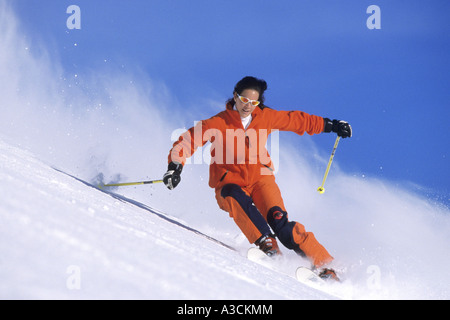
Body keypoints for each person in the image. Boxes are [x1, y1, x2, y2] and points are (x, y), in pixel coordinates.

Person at [163, 76, 352, 280]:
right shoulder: (217, 123)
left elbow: (296, 120)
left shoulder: (265, 117)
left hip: (261, 180)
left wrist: (330, 125)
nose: (248, 106)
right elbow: (188, 140)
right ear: (235, 96)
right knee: (233, 195)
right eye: (244, 100)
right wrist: (175, 166)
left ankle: (326, 266)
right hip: (230, 182)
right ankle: (267, 244)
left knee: (281, 223)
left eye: (254, 102)